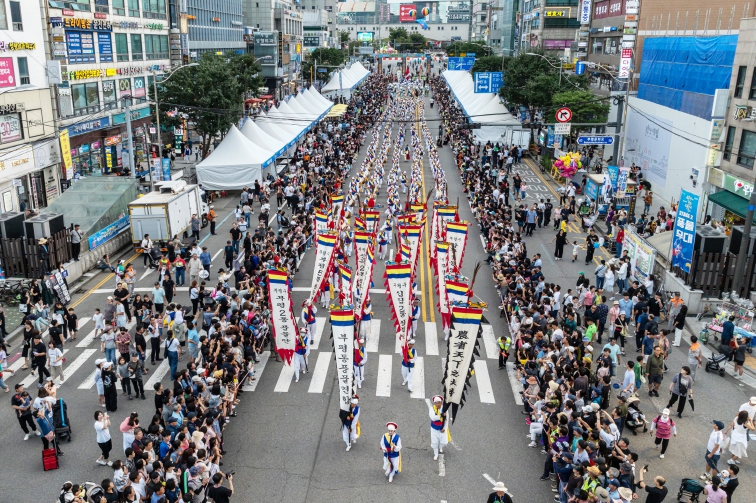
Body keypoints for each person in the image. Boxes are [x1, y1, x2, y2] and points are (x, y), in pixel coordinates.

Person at [429, 395, 449, 460]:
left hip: (442, 428)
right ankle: (436, 454)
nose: (437, 404)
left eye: (439, 403)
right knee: (435, 442)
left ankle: (441, 447)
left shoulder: (445, 409)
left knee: (444, 442)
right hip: (434, 429)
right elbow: (433, 418)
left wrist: (444, 428)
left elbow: (446, 420)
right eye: (436, 403)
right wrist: (441, 415)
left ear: (441, 402)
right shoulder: (432, 409)